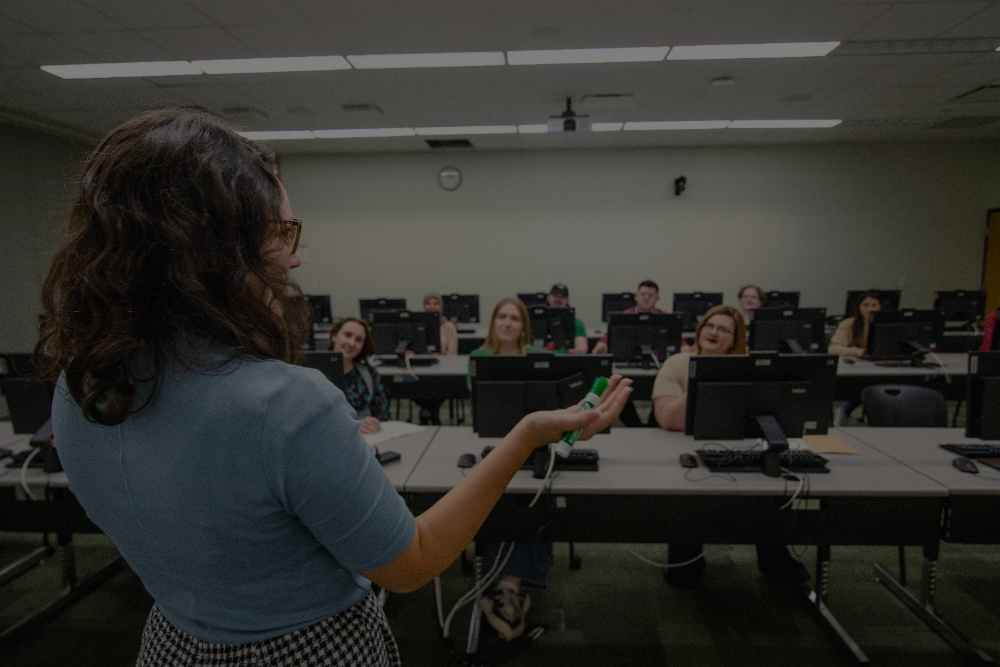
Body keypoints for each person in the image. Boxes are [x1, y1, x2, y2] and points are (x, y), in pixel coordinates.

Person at [35, 108, 633, 667]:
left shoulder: (80, 387)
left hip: (172, 643)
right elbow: (412, 564)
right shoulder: (286, 404)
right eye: (280, 233)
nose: (294, 259)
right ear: (214, 248)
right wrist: (527, 435)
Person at [651, 305, 810, 587]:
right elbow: (667, 419)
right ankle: (686, 557)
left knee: (767, 483)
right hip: (683, 447)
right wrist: (705, 377)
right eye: (709, 326)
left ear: (735, 339)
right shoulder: (677, 364)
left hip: (739, 442)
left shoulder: (749, 367)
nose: (713, 333)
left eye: (723, 330)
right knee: (688, 491)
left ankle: (773, 556)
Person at [466, 298, 553, 641]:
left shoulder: (538, 359)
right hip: (490, 445)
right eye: (501, 317)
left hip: (531, 447)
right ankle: (505, 586)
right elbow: (481, 408)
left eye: (514, 318)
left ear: (523, 325)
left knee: (535, 494)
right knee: (494, 496)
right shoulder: (478, 359)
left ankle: (506, 587)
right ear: (493, 322)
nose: (507, 323)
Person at [327, 317, 392, 434]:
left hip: (367, 441)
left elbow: (383, 417)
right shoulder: (315, 374)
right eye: (347, 335)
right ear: (334, 336)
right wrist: (353, 426)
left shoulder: (369, 373)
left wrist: (377, 426)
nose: (351, 343)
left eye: (358, 340)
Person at [828, 291, 882, 425]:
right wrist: (859, 352)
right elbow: (833, 349)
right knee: (864, 386)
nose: (870, 309)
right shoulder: (849, 324)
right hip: (856, 370)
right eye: (866, 305)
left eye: (874, 305)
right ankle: (845, 411)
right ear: (859, 307)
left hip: (880, 368)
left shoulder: (886, 326)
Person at [413, 292, 458, 425]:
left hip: (442, 372)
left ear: (441, 307)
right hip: (420, 370)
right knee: (413, 384)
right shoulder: (416, 325)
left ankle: (429, 410)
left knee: (436, 385)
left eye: (435, 304)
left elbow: (452, 353)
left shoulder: (448, 327)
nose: (431, 307)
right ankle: (431, 411)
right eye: (428, 304)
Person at [591, 280, 667, 355]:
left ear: (657, 298)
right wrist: (601, 346)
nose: (646, 298)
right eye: (643, 294)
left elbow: (677, 341)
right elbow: (608, 338)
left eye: (650, 295)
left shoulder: (664, 317)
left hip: (658, 360)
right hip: (627, 360)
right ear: (636, 297)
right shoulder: (625, 315)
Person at [545, 283, 589, 354]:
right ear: (548, 297)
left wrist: (575, 352)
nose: (558, 299)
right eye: (555, 295)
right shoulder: (538, 321)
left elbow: (582, 348)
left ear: (567, 300)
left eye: (562, 296)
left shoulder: (577, 323)